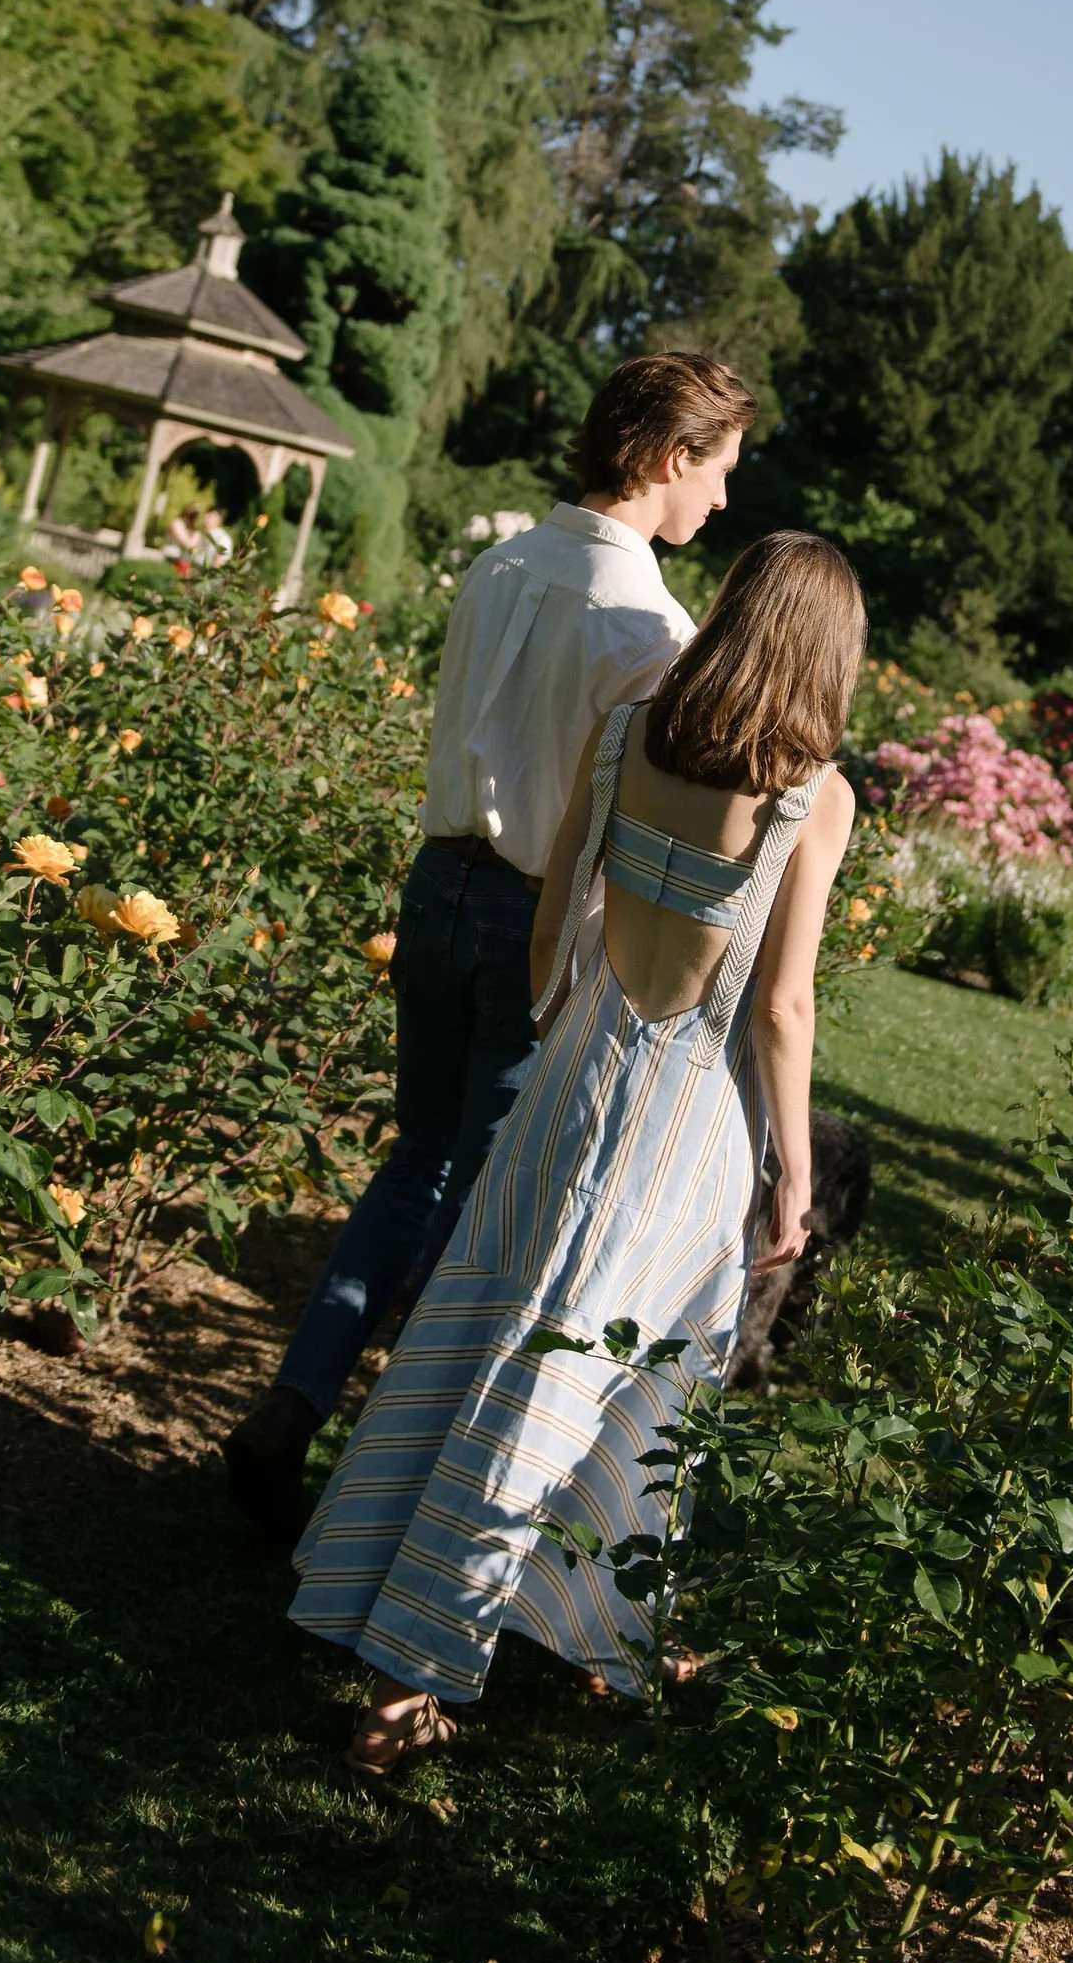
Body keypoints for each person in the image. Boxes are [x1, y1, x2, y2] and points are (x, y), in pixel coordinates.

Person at [288, 529, 864, 1775]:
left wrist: (558, 1026)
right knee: (590, 1372)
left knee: (519, 1332)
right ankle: (406, 1684)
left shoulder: (626, 732)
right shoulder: (810, 795)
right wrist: (794, 1177)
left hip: (576, 1069)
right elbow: (781, 1006)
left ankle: (591, 1626)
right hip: (688, 1120)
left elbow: (558, 913)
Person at [222, 352, 758, 1538]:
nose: (722, 500)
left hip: (433, 890)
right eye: (717, 472)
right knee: (490, 1205)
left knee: (417, 1162)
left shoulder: (499, 563)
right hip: (529, 919)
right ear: (673, 459)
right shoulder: (647, 627)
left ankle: (296, 1400)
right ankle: (390, 1472)